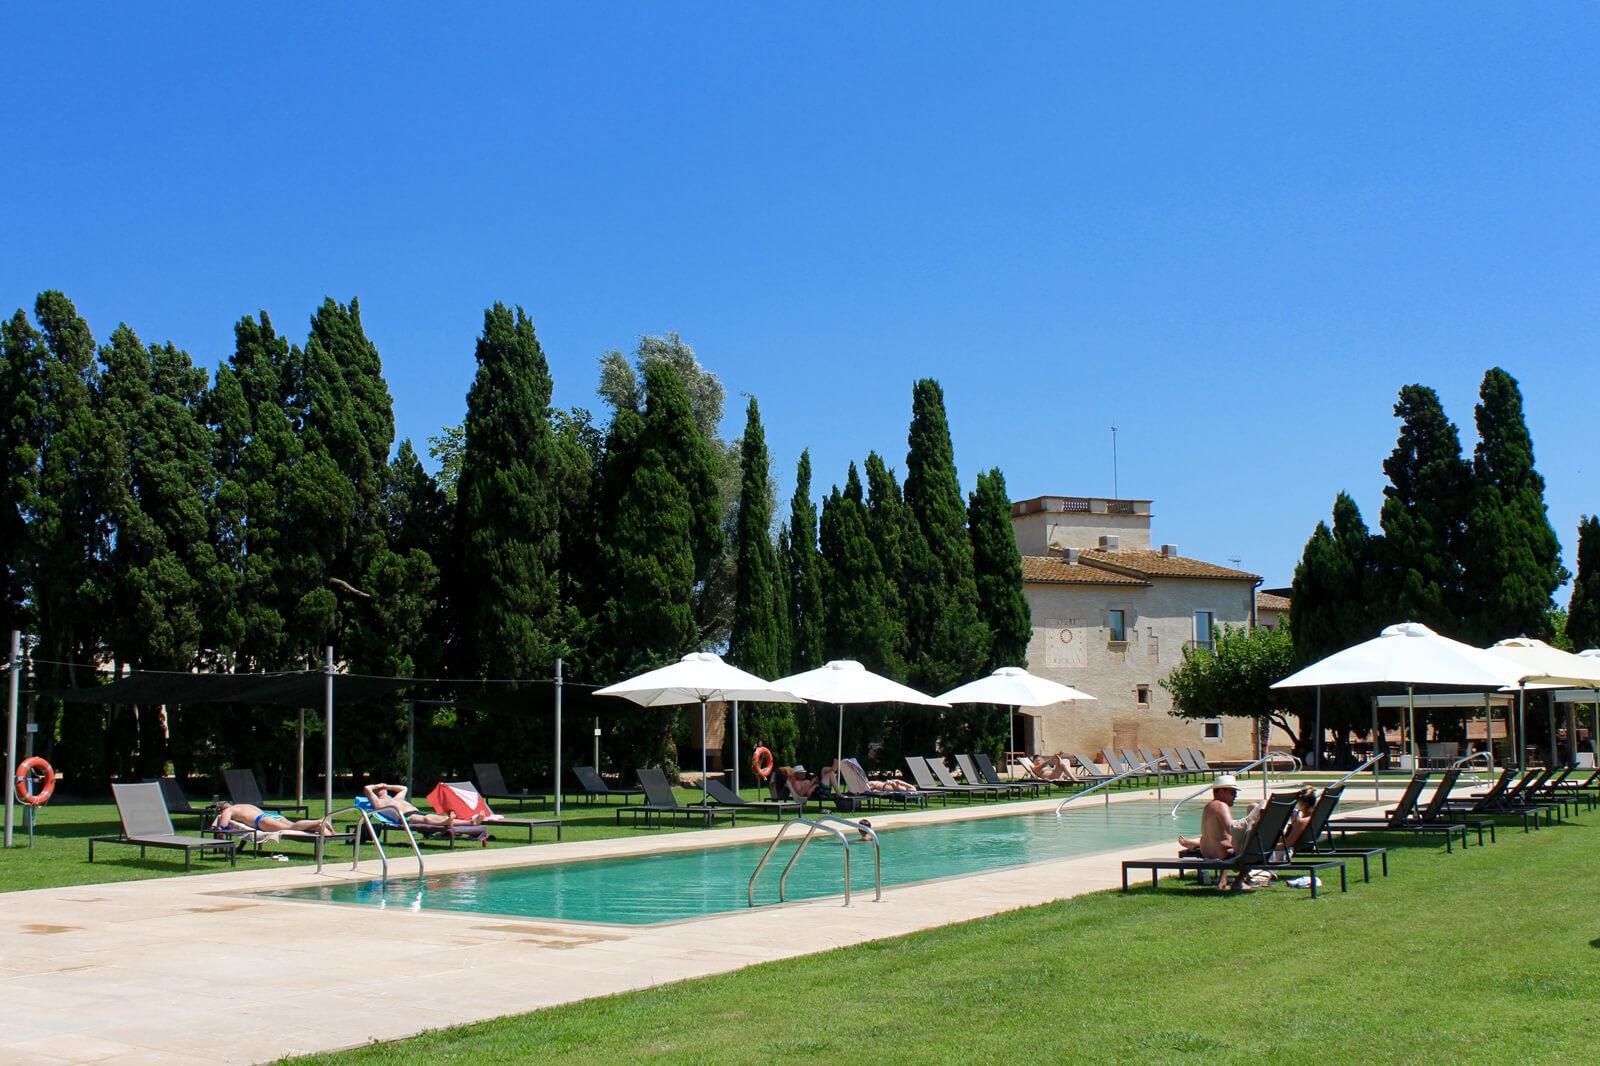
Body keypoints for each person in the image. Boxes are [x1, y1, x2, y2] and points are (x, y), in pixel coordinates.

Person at [1176, 775, 1264, 886]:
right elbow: (1233, 829)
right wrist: (1252, 820)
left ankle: (1195, 844)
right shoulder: (1221, 806)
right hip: (1225, 855)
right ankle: (1239, 882)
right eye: (1233, 793)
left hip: (1207, 853)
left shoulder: (1209, 806)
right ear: (1221, 791)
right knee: (1254, 849)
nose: (1235, 796)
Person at [364, 782, 484, 828]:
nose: (382, 789)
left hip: (415, 812)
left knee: (432, 817)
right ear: (376, 793)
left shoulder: (396, 798)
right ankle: (451, 822)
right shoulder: (378, 803)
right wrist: (375, 785)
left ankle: (471, 822)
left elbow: (403, 788)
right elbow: (366, 788)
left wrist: (388, 786)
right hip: (405, 818)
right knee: (427, 818)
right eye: (380, 789)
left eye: (383, 788)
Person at [214, 802, 335, 836]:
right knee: (296, 828)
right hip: (272, 816)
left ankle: (318, 821)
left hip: (261, 821)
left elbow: (224, 827)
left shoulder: (228, 810)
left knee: (291, 828)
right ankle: (321, 828)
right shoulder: (245, 805)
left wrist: (219, 831)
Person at [1280, 788, 1319, 854]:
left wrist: (1267, 848)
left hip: (1294, 848)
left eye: (1298, 801)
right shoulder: (1315, 818)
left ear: (1303, 804)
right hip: (1307, 845)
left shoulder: (1301, 822)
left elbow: (1287, 843)